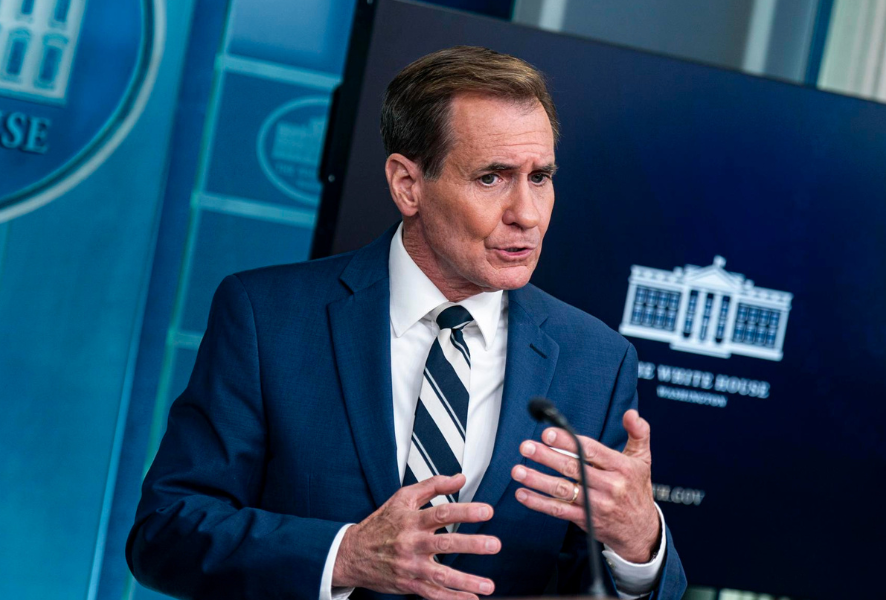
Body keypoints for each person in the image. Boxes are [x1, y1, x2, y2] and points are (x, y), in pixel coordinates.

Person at [127, 46, 686, 599]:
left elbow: (590, 584)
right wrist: (345, 556)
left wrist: (639, 543)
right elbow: (165, 531)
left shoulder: (596, 361)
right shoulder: (266, 317)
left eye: (539, 177)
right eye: (492, 178)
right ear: (407, 185)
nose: (527, 214)